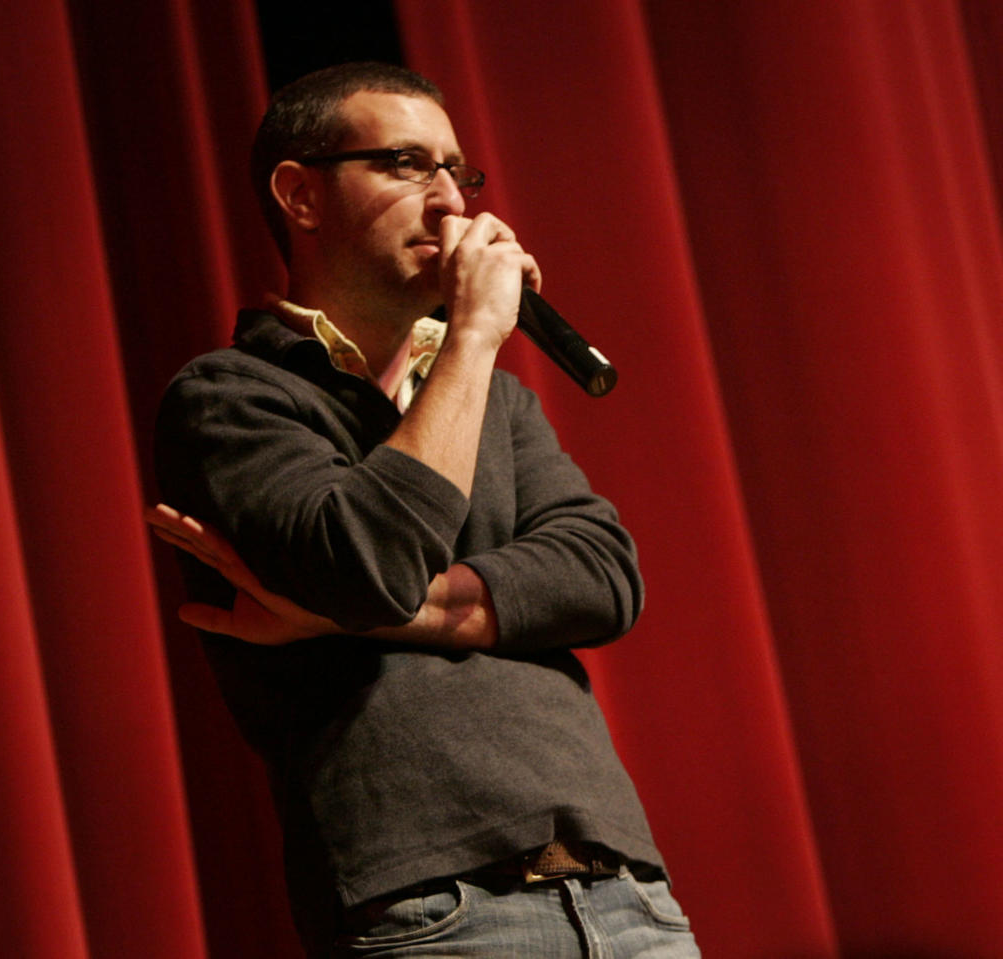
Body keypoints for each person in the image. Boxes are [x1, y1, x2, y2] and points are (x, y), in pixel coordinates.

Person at [151, 61, 698, 956]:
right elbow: (363, 563)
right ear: (300, 195)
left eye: (458, 170)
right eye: (407, 164)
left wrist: (371, 617)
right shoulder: (232, 396)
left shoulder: (497, 401)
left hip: (624, 889)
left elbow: (602, 576)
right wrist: (477, 333)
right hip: (427, 902)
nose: (452, 203)